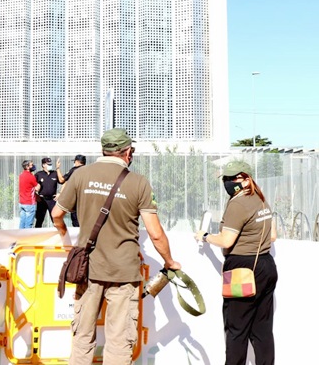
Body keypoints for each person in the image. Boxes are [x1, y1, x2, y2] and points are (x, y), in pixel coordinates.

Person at [52, 128, 180, 365]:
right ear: (127, 152)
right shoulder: (139, 183)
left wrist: (65, 240)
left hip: (87, 269)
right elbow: (155, 234)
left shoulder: (80, 175)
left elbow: (57, 213)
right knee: (120, 343)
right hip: (123, 272)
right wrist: (170, 262)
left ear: (103, 149)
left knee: (82, 338)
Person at [195, 160, 277, 365]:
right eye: (226, 178)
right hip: (266, 265)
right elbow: (273, 235)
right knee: (262, 331)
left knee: (236, 330)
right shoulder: (260, 199)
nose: (229, 182)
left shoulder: (238, 203)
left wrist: (205, 236)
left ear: (247, 179)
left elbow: (226, 240)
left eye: (234, 178)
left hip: (243, 270)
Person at [34, 157, 64, 228]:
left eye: (51, 164)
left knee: (55, 219)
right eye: (48, 164)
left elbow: (64, 182)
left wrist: (60, 193)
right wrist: (36, 196)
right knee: (39, 220)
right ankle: (37, 236)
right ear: (43, 165)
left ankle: (58, 235)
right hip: (42, 200)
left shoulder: (54, 173)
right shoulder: (38, 174)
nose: (50, 165)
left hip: (52, 200)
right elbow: (32, 186)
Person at [61, 154, 87, 227]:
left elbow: (62, 180)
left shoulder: (74, 170)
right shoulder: (89, 170)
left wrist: (57, 169)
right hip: (86, 197)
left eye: (75, 161)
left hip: (76, 198)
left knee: (75, 219)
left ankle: (77, 234)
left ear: (77, 161)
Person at [18, 160, 38, 229]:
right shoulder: (31, 176)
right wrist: (40, 184)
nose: (33, 166)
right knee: (28, 224)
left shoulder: (21, 175)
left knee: (22, 223)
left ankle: (20, 237)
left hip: (22, 202)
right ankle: (27, 239)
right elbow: (37, 188)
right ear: (27, 167)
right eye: (31, 165)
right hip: (29, 203)